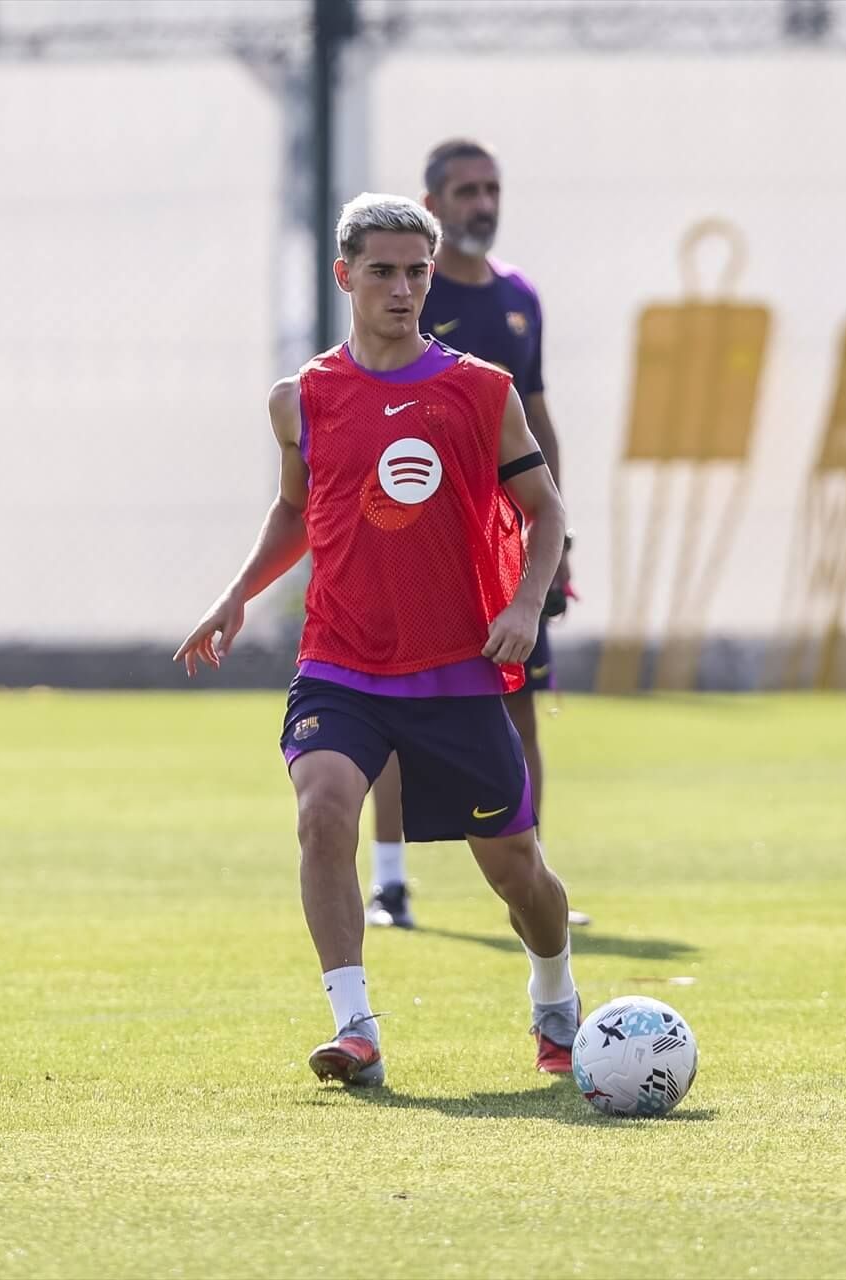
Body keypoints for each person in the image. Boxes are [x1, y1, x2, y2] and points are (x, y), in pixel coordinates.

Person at [174, 193, 582, 1082]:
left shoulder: (480, 391)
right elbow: (296, 509)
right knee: (322, 813)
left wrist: (522, 606)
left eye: (416, 272)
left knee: (518, 874)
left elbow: (545, 511)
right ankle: (355, 1028)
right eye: (383, 272)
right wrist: (237, 593)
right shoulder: (302, 399)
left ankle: (554, 993)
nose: (402, 289)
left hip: (459, 670)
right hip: (341, 661)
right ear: (344, 277)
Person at [363, 137, 588, 930]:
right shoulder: (405, 303)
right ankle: (390, 885)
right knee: (384, 704)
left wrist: (555, 541)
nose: (482, 204)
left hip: (506, 550)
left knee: (519, 703)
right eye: (466, 190)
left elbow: (539, 414)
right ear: (432, 205)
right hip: (419, 544)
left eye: (492, 188)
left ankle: (535, 879)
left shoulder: (520, 297)